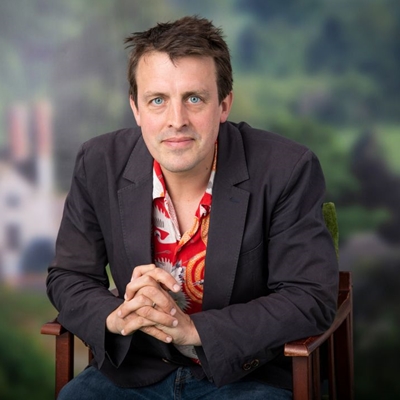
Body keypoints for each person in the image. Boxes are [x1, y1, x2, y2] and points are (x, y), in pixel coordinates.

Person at [46, 15, 338, 400]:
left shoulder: (286, 170)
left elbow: (309, 298)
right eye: (157, 100)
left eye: (194, 99)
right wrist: (115, 317)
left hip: (244, 376)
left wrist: (194, 330)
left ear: (224, 104)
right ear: (136, 108)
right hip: (136, 370)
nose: (176, 121)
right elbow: (69, 276)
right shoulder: (99, 163)